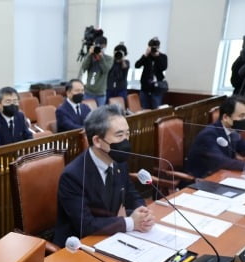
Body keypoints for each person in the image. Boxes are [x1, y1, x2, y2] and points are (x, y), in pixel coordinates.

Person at [54, 105, 154, 247]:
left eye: (127, 134)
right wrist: (131, 222)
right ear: (97, 141)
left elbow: (131, 194)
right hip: (78, 245)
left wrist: (142, 212)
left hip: (109, 237)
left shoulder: (119, 162)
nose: (126, 141)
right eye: (119, 135)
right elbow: (85, 224)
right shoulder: (72, 176)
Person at [185, 95, 245, 178]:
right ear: (226, 117)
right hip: (201, 179)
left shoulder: (232, 131)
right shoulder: (209, 134)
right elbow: (221, 161)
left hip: (222, 175)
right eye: (241, 116)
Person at [79, 36, 113, 107]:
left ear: (105, 46)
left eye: (101, 46)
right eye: (97, 45)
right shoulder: (90, 57)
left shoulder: (109, 58)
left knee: (99, 115)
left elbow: (105, 69)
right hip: (88, 92)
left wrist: (101, 57)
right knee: (87, 114)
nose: (99, 48)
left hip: (100, 94)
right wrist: (89, 54)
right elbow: (84, 67)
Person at [135, 37, 168, 109]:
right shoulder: (146, 57)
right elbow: (137, 65)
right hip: (145, 88)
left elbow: (163, 67)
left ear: (158, 47)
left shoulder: (163, 56)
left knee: (156, 109)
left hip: (157, 88)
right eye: (151, 47)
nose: (153, 49)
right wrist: (145, 55)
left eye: (155, 48)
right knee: (144, 109)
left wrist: (157, 57)